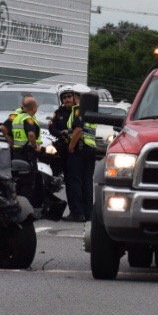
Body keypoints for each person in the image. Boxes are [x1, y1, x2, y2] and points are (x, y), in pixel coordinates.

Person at [51, 88, 97, 222]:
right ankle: (88, 213)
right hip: (90, 149)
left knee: (74, 182)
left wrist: (71, 147)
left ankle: (77, 213)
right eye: (64, 98)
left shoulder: (78, 110)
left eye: (70, 97)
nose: (67, 100)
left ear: (77, 98)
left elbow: (78, 130)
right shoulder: (90, 110)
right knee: (87, 182)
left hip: (78, 150)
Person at [5, 94, 43, 207]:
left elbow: (3, 128)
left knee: (17, 180)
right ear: (34, 108)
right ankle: (26, 206)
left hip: (16, 153)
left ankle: (15, 203)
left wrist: (10, 141)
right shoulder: (27, 118)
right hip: (27, 154)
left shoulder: (16, 117)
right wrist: (35, 146)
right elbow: (31, 134)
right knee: (27, 182)